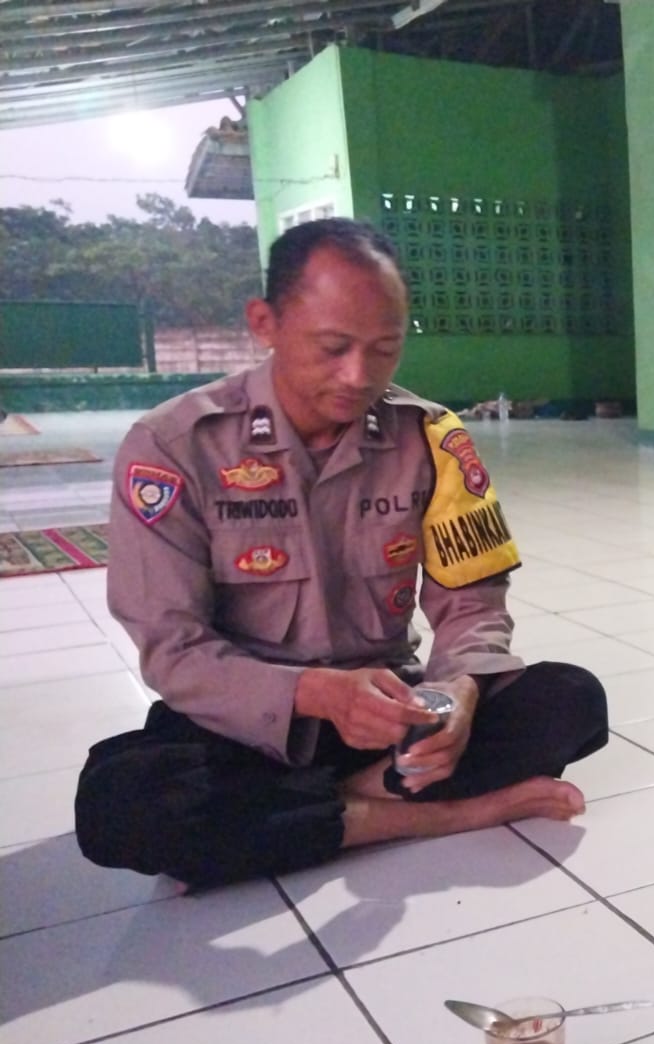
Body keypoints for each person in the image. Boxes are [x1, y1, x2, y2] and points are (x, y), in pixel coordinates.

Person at [75, 218, 608, 889]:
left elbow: (472, 604)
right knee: (121, 802)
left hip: (390, 710)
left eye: (385, 350)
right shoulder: (175, 447)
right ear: (265, 323)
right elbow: (172, 648)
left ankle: (313, 812)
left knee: (570, 699)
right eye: (333, 348)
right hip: (251, 725)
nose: (359, 376)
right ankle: (436, 814)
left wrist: (457, 690)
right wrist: (315, 693)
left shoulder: (430, 437)